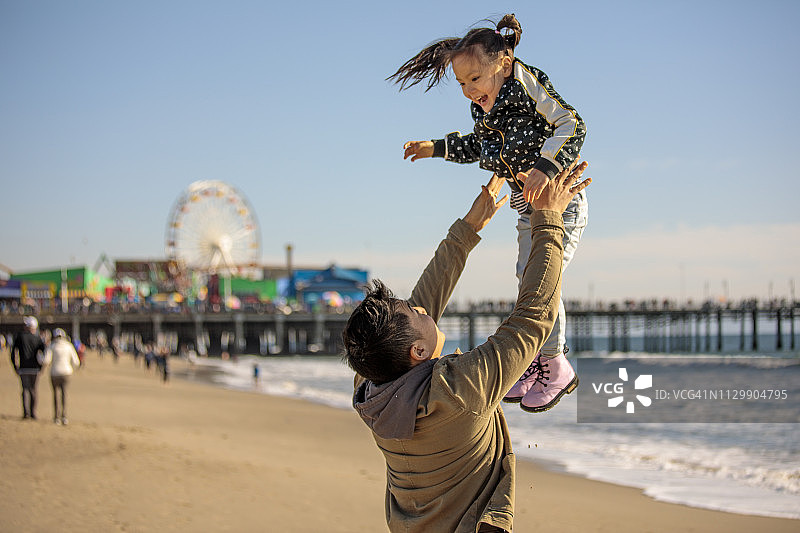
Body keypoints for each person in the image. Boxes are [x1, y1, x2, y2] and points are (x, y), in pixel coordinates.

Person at [343, 162, 591, 533]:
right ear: (418, 352)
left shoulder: (370, 386)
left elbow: (421, 307)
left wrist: (470, 226)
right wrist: (549, 220)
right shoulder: (459, 389)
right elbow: (533, 319)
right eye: (414, 312)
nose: (422, 308)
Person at [389, 14, 587, 412]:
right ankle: (538, 360)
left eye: (475, 78)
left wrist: (545, 167)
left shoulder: (525, 84)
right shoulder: (483, 110)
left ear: (504, 63)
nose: (468, 90)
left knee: (542, 279)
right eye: (461, 83)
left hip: (559, 201)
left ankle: (555, 363)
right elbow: (479, 147)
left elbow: (572, 123)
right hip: (526, 207)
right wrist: (435, 148)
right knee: (527, 277)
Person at [9, 316, 46, 420]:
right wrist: (41, 366)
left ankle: (26, 413)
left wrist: (15, 365)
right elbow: (44, 353)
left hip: (23, 368)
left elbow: (13, 352)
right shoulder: (38, 338)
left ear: (28, 326)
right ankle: (33, 413)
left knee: (25, 390)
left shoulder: (20, 337)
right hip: (35, 369)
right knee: (33, 390)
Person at [42, 328, 80, 425]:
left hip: (54, 373)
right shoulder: (69, 346)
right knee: (64, 395)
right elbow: (76, 362)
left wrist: (43, 369)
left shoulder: (52, 346)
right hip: (66, 373)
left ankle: (56, 417)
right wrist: (72, 368)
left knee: (55, 395)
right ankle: (64, 416)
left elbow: (46, 360)